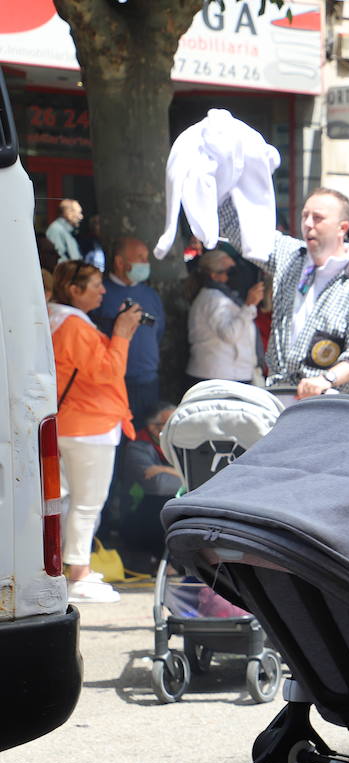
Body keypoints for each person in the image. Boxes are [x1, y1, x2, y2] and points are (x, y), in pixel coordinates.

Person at [218, 186, 349, 398]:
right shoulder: (291, 255)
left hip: (332, 406)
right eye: (305, 216)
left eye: (318, 218)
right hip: (279, 395)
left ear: (342, 228)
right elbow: (238, 229)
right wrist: (219, 176)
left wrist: (326, 379)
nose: (308, 224)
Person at [47, 260, 142, 603]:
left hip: (70, 423)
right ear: (74, 290)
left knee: (66, 500)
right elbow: (107, 372)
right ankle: (80, 573)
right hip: (90, 426)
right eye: (96, 285)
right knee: (87, 503)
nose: (103, 290)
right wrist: (122, 334)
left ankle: (64, 568)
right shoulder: (73, 325)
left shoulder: (56, 319)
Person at [92, 238, 166, 428]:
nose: (145, 263)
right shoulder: (100, 293)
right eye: (140, 258)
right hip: (113, 381)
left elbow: (159, 332)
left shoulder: (150, 295)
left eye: (146, 258)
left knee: (144, 436)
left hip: (147, 379)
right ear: (120, 262)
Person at [184, 249, 266, 393]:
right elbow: (229, 334)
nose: (237, 275)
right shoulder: (213, 299)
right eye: (230, 271)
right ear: (214, 275)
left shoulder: (223, 296)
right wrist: (249, 305)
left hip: (228, 375)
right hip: (218, 378)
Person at [118, 404, 181, 574]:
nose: (178, 427)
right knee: (162, 504)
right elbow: (158, 485)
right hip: (142, 515)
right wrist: (186, 477)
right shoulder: (138, 446)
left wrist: (167, 470)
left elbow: (203, 479)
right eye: (171, 423)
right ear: (154, 427)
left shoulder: (183, 443)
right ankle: (161, 562)